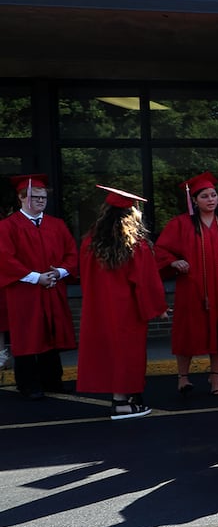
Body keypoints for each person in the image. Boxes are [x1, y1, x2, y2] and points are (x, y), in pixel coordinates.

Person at [75, 186, 168, 419]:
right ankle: (121, 403)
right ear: (131, 215)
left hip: (98, 307)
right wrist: (158, 309)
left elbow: (84, 276)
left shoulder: (89, 242)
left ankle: (130, 396)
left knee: (109, 352)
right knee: (127, 353)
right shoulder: (135, 244)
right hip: (127, 309)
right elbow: (145, 281)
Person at [155, 172, 218, 396]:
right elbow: (161, 250)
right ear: (195, 201)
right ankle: (183, 377)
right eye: (205, 196)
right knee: (187, 333)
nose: (211, 200)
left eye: (214, 195)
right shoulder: (181, 224)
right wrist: (174, 261)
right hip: (192, 287)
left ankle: (216, 378)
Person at [0, 174, 77, 400]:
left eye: (43, 197)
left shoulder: (57, 225)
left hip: (53, 288)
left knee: (51, 334)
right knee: (28, 336)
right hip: (24, 291)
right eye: (35, 197)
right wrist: (35, 277)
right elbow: (5, 258)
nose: (41, 201)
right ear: (22, 198)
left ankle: (53, 381)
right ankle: (28, 384)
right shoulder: (8, 226)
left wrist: (59, 272)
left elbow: (72, 253)